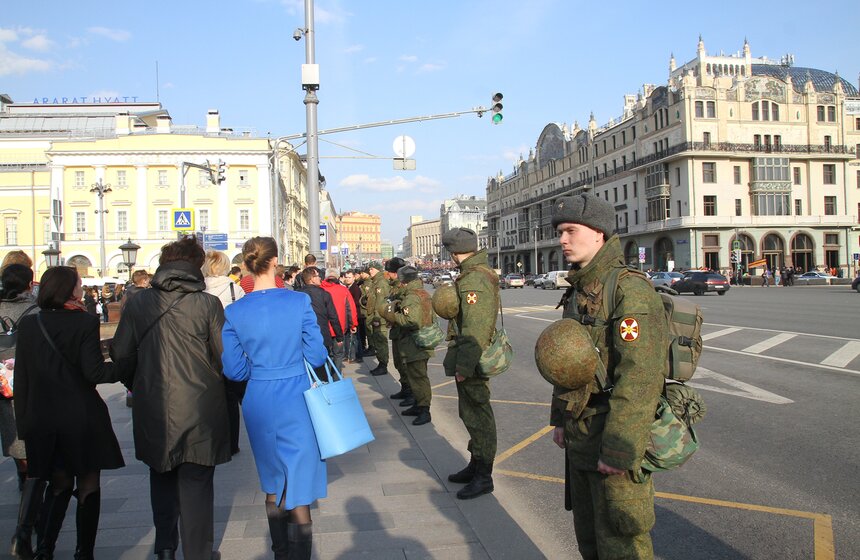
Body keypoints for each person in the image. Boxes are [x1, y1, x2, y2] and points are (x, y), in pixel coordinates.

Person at [550, 194, 667, 560]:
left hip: (612, 439)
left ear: (598, 233)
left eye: (570, 230)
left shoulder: (628, 289)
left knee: (622, 545)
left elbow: (641, 377)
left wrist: (619, 450)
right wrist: (559, 419)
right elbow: (567, 362)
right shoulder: (580, 288)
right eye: (559, 231)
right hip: (581, 435)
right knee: (589, 542)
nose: (562, 240)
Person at [110, 236, 230, 560]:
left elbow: (120, 353)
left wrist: (138, 381)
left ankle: (165, 548)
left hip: (154, 407)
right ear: (195, 266)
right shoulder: (207, 304)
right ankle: (197, 553)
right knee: (196, 484)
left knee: (161, 477)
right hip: (201, 409)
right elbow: (225, 358)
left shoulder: (138, 303)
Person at [221, 237, 328, 560]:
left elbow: (235, 370)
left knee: (272, 480)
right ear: (276, 261)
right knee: (299, 484)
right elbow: (317, 354)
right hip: (296, 394)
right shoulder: (298, 303)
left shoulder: (235, 311)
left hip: (259, 397)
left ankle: (280, 553)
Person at [12, 266, 125, 560]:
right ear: (68, 290)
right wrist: (124, 366)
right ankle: (83, 551)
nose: (80, 289)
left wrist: (24, 423)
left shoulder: (29, 325)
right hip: (81, 418)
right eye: (77, 284)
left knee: (58, 485)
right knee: (88, 485)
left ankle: (45, 548)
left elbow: (21, 379)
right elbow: (95, 372)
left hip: (42, 418)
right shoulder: (84, 322)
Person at [441, 228, 500, 500]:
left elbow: (474, 329)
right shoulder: (474, 273)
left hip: (472, 360)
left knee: (478, 416)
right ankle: (476, 464)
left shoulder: (474, 278)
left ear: (453, 252)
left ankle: (483, 476)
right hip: (470, 358)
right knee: (470, 414)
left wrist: (463, 367)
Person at [202, 250, 246, 456]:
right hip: (230, 347)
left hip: (205, 349)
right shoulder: (234, 288)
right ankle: (232, 443)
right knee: (230, 398)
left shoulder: (199, 289)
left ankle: (210, 439)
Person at [378, 266, 434, 426]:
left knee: (418, 377)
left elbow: (412, 320)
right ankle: (418, 404)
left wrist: (392, 316)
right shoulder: (421, 292)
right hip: (419, 340)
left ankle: (424, 410)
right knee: (415, 376)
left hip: (415, 342)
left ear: (403, 281)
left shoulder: (411, 296)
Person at [0, 265, 39, 491]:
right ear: (29, 283)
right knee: (34, 441)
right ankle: (34, 498)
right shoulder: (36, 310)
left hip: (4, 387)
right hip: (32, 382)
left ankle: (23, 480)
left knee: (13, 437)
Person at [297, 267, 342, 380]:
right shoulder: (324, 294)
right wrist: (339, 336)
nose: (320, 278)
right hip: (322, 335)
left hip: (302, 336)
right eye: (317, 276)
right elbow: (333, 316)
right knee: (323, 366)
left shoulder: (298, 294)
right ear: (312, 279)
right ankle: (324, 388)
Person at [380, 258, 410, 403]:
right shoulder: (394, 286)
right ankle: (405, 389)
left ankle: (411, 394)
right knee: (398, 362)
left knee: (405, 364)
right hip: (396, 330)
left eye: (390, 272)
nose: (388, 275)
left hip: (404, 332)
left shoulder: (403, 287)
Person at [320, 268, 357, 372]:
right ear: (337, 277)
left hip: (324, 328)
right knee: (338, 354)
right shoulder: (343, 290)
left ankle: (327, 378)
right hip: (339, 328)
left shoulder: (320, 289)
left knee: (326, 354)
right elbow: (351, 309)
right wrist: (353, 325)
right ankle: (337, 377)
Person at [365, 261, 391, 377]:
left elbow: (381, 303)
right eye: (369, 269)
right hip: (374, 316)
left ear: (378, 270)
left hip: (379, 317)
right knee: (377, 340)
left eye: (372, 269)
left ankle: (383, 364)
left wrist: (377, 317)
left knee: (381, 340)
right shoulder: (375, 282)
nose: (370, 271)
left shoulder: (381, 283)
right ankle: (381, 363)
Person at [342, 270, 364, 363]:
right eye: (346, 277)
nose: (347, 279)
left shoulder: (355, 288)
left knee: (356, 337)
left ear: (354, 278)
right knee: (351, 336)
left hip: (356, 315)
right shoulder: (348, 287)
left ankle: (358, 356)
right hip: (352, 315)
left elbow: (356, 302)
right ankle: (351, 355)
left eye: (349, 277)